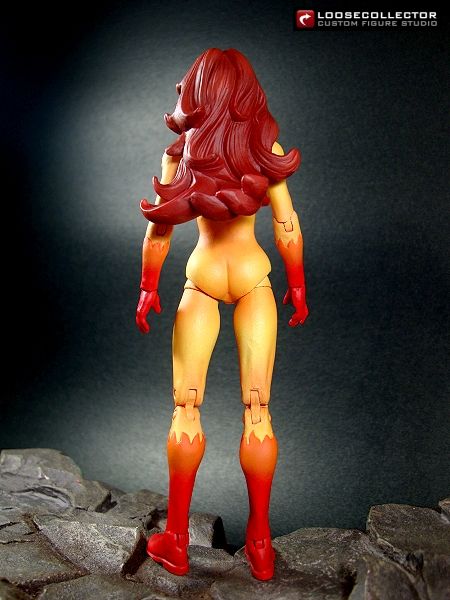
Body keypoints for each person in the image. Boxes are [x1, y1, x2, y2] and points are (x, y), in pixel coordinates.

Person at [135, 47, 308, 581]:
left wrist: (147, 286)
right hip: (254, 279)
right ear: (248, 95)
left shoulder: (181, 153)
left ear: (197, 92)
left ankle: (176, 540)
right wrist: (297, 282)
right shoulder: (264, 149)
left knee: (186, 408)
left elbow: (158, 231)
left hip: (204, 280)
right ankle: (260, 545)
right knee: (258, 409)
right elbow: (287, 224)